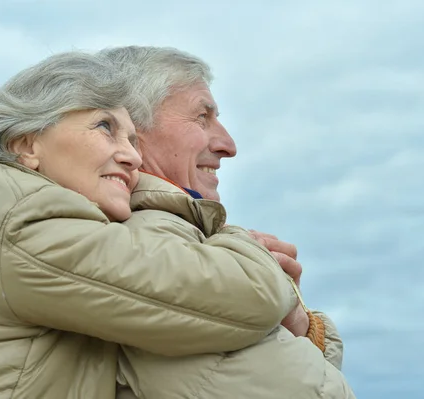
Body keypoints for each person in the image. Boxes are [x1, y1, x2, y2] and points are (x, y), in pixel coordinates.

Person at [0, 51, 299, 398]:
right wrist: (244, 244)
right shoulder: (18, 218)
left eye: (133, 139)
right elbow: (250, 297)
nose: (133, 157)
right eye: (105, 127)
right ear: (26, 144)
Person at [100, 46, 356, 398]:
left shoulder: (173, 245)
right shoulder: (146, 244)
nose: (228, 145)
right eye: (202, 117)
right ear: (129, 132)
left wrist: (297, 321)